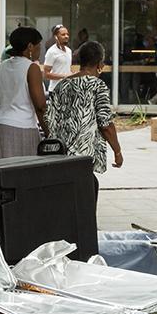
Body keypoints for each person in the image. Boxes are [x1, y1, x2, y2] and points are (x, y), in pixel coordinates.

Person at [44, 41, 123, 199]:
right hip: (83, 155)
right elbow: (105, 124)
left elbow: (49, 119)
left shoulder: (62, 85)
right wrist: (117, 151)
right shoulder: (97, 86)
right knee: (86, 194)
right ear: (100, 63)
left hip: (60, 152)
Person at [0, 26, 48, 158]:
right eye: (38, 47)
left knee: (6, 172)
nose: (39, 51)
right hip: (23, 126)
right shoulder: (32, 68)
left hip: (1, 125)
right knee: (24, 173)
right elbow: (40, 106)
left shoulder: (1, 67)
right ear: (30, 47)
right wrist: (48, 131)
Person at [42, 24, 73, 91]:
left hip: (68, 90)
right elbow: (46, 74)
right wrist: (64, 76)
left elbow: (66, 69)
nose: (66, 36)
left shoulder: (69, 51)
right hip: (55, 90)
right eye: (63, 34)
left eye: (67, 34)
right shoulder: (51, 52)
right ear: (56, 37)